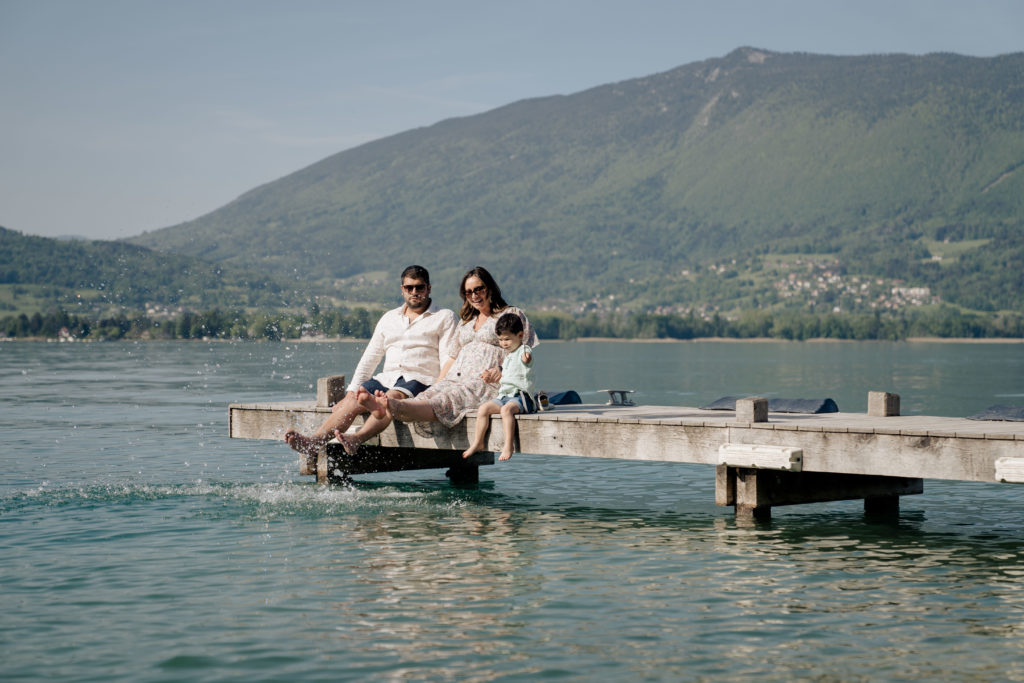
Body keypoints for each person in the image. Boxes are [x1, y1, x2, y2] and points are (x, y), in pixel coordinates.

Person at [284, 265, 458, 467]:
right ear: (402, 289)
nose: (414, 292)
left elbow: (448, 360)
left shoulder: (445, 317)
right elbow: (370, 358)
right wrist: (350, 392)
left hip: (420, 379)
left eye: (419, 287)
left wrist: (437, 392)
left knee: (391, 398)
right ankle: (314, 442)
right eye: (409, 288)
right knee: (355, 398)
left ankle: (356, 439)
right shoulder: (389, 318)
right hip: (387, 377)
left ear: (428, 288)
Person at [354, 266, 537, 435]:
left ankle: (390, 406)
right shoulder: (467, 321)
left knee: (447, 400)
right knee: (427, 396)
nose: (474, 295)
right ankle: (375, 419)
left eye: (479, 289)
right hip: (455, 378)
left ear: (489, 288)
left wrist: (502, 370)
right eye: (468, 292)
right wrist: (437, 384)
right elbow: (452, 358)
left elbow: (525, 350)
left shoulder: (510, 314)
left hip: (485, 382)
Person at [462, 312, 536, 461]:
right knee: (483, 409)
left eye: (507, 339)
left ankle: (508, 445)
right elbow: (508, 378)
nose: (503, 343)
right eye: (501, 340)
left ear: (520, 335)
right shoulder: (508, 356)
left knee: (506, 410)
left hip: (521, 397)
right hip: (504, 396)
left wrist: (526, 359)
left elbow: (527, 359)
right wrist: (490, 377)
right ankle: (478, 442)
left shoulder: (523, 350)